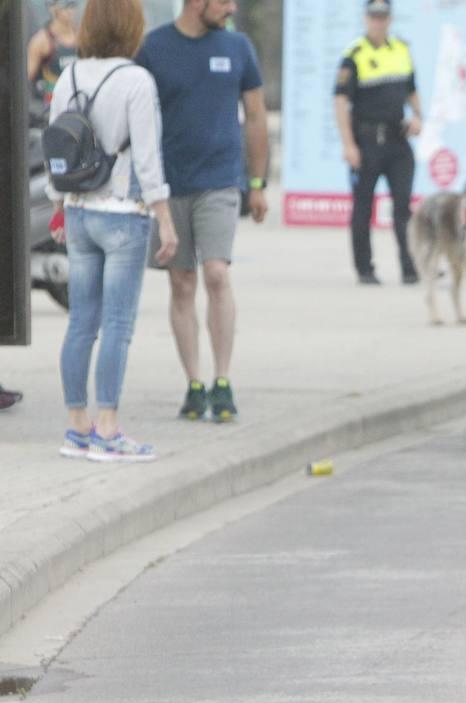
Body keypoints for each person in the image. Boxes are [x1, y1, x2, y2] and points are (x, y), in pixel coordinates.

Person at [48, 0, 179, 462]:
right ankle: (108, 429)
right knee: (118, 326)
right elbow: (147, 157)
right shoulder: (136, 80)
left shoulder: (69, 76)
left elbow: (56, 149)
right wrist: (165, 218)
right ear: (131, 27)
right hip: (125, 212)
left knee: (81, 322)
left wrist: (60, 206)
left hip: (80, 211)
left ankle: (77, 427)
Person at [136, 0, 268, 424]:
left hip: (221, 181)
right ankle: (194, 383)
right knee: (182, 282)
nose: (231, 8)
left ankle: (223, 379)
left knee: (216, 273)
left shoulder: (238, 47)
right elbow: (135, 113)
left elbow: (256, 115)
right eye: (224, 0)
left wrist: (258, 183)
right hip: (169, 185)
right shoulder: (153, 48)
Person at [333, 0, 422, 287]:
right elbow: (340, 101)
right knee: (363, 207)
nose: (378, 22)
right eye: (374, 16)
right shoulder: (354, 55)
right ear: (366, 18)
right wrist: (349, 145)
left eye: (383, 17)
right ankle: (365, 268)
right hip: (367, 140)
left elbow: (412, 91)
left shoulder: (401, 49)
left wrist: (419, 117)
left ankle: (410, 267)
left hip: (397, 140)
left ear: (390, 19)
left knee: (403, 208)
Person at [26, 0, 79, 113]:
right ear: (52, 8)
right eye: (65, 5)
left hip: (77, 104)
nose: (70, 10)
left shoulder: (82, 37)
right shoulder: (42, 41)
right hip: (51, 107)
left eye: (73, 4)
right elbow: (26, 80)